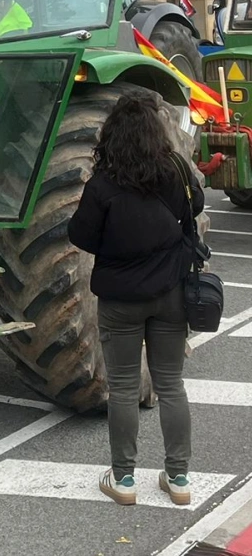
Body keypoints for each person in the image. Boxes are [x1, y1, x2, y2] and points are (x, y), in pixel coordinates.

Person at [67, 91, 205, 508]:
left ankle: (123, 478)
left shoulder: (104, 184)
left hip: (120, 300)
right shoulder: (177, 170)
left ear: (113, 136)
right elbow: (195, 206)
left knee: (124, 389)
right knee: (171, 385)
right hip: (171, 294)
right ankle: (178, 477)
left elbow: (80, 236)